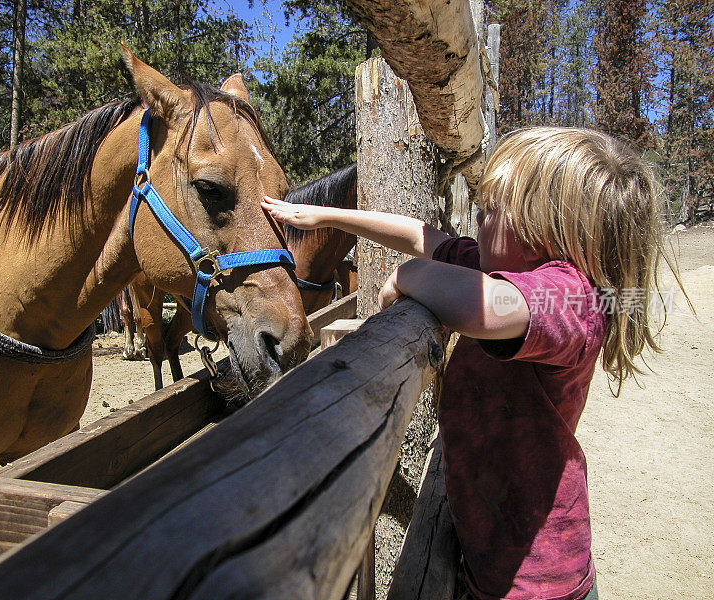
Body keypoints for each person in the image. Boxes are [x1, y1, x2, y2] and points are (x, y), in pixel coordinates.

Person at [262, 127, 684, 600]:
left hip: (538, 578)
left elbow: (485, 304)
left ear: (545, 231)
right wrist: (327, 215)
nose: (476, 221)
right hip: (489, 544)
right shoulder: (503, 261)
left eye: (489, 211)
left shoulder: (572, 297)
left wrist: (408, 275)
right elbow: (423, 236)